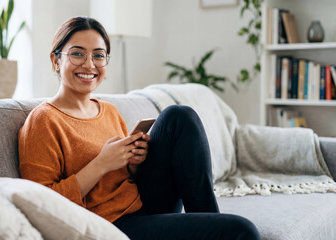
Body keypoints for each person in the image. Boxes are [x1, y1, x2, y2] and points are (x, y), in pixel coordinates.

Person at [18, 16, 261, 240]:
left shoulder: (108, 111)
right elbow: (41, 205)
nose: (89, 64)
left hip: (142, 205)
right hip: (108, 225)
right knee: (242, 231)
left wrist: (133, 163)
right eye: (77, 54)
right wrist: (102, 163)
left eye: (99, 55)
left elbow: (123, 179)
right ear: (56, 60)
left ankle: (209, 219)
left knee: (178, 116)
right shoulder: (44, 121)